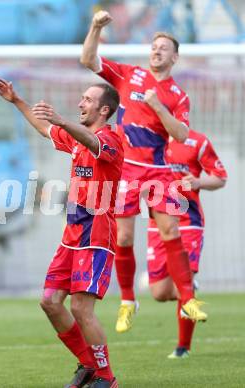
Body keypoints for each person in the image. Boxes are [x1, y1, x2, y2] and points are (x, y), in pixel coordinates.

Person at [81, 10, 207, 333]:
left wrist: (158, 106)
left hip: (159, 172)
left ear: (175, 57)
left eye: (164, 48)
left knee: (171, 232)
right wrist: (95, 28)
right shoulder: (129, 75)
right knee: (123, 236)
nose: (157, 51)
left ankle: (189, 298)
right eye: (154, 47)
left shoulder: (178, 95)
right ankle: (127, 300)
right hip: (127, 170)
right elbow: (88, 59)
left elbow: (180, 135)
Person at [0, 78, 123, 388]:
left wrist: (62, 119)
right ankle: (89, 365)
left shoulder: (112, 139)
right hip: (72, 233)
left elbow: (94, 144)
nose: (80, 103)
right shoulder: (77, 138)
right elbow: (44, 129)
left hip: (96, 234)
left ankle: (106, 377)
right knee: (50, 301)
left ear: (104, 109)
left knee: (80, 307)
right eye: (81, 98)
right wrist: (17, 101)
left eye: (87, 100)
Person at [147, 129, 227, 358]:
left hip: (188, 221)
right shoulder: (145, 139)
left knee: (186, 283)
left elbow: (220, 177)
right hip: (158, 220)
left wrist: (199, 181)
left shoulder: (197, 141)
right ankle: (188, 288)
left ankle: (183, 348)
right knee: (160, 292)